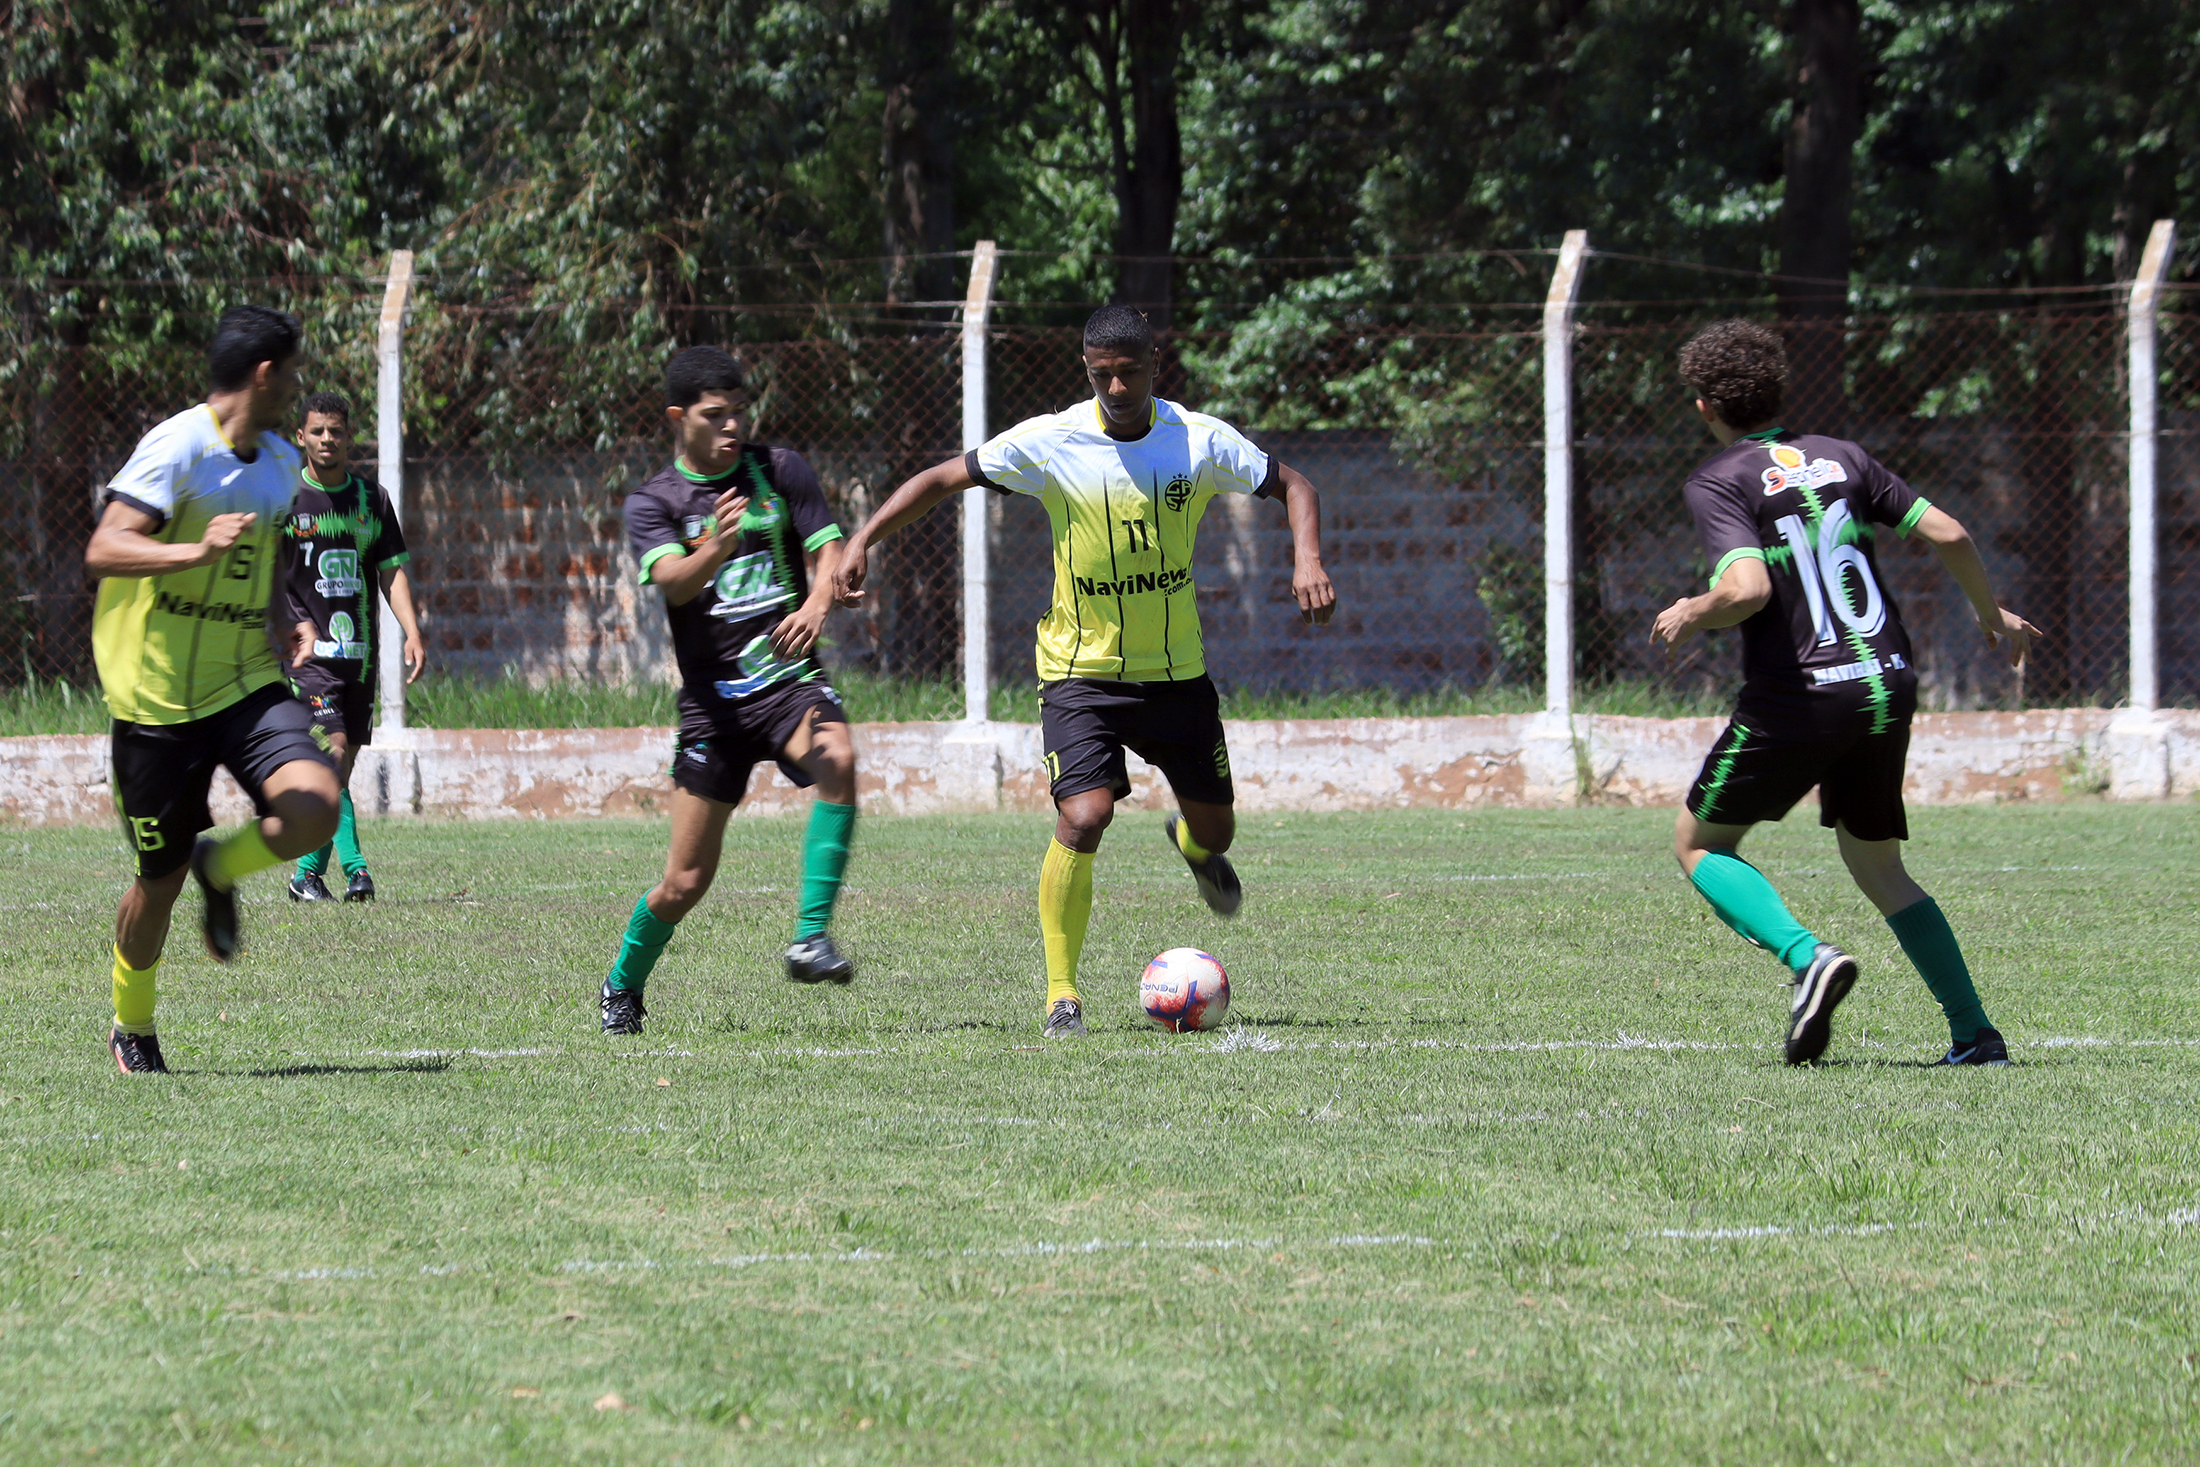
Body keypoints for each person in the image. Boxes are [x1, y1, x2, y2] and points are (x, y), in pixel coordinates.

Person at [834, 304, 1337, 1039]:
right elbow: (946, 477)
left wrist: (1308, 557)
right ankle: (1062, 993)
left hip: (1176, 675)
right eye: (1100, 372)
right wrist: (864, 537)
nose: (1115, 385)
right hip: (1080, 672)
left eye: (1128, 371)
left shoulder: (1197, 440)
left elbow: (1295, 484)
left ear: (1155, 364)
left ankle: (1194, 847)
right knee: (1085, 813)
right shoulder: (1053, 440)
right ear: (1086, 368)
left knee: (1218, 830)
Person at [1650, 319, 2041, 1067]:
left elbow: (1747, 587)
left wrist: (1692, 611)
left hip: (1802, 689)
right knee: (1878, 864)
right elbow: (1952, 533)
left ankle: (1808, 957)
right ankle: (1975, 1034)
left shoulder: (1718, 479)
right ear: (1778, 390)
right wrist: (1990, 615)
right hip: (1887, 681)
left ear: (1704, 407)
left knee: (1699, 842)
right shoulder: (1843, 456)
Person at [84, 305, 342, 1074]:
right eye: (292, 376)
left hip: (244, 684)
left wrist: (283, 620)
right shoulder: (176, 448)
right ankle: (132, 1026)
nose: (297, 392)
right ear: (264, 376)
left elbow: (254, 562)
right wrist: (193, 547)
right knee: (154, 883)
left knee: (315, 805)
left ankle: (221, 865)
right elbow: (104, 546)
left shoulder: (273, 464)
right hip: (157, 702)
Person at [597, 346, 860, 1035]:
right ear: (678, 418)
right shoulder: (654, 501)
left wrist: (817, 605)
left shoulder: (780, 469)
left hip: (788, 681)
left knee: (839, 757)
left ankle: (810, 936)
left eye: (740, 412)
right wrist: (715, 544)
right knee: (684, 882)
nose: (732, 426)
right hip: (714, 705)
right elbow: (674, 580)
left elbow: (829, 547)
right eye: (716, 416)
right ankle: (622, 982)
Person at [280, 390, 425, 902]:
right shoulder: (285, 503)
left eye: (335, 431)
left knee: (338, 768)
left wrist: (411, 629)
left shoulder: (372, 501)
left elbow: (391, 574)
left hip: (357, 661)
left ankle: (305, 875)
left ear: (349, 437)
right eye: (317, 431)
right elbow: (262, 578)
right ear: (301, 437)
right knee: (332, 753)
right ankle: (357, 869)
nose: (326, 439)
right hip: (307, 661)